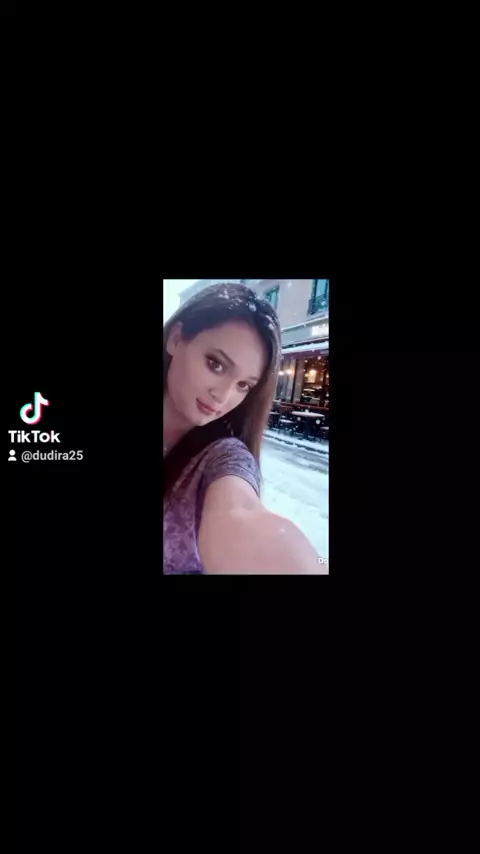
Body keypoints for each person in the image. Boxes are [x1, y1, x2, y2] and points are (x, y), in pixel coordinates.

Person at [163, 282, 323, 574]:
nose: (223, 396)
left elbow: (239, 514)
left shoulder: (223, 456)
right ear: (176, 339)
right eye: (216, 364)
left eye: (244, 385)